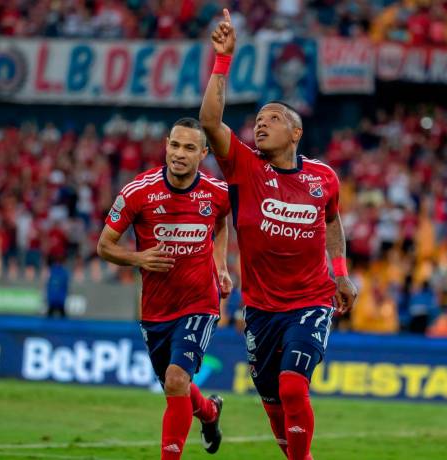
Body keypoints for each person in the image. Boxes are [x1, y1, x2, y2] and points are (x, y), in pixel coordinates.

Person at [199, 10, 358, 459]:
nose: (260, 124)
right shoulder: (245, 168)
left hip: (310, 301)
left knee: (292, 386)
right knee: (272, 400)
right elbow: (211, 122)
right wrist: (222, 61)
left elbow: (331, 221)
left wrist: (341, 274)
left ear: (296, 131)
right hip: (261, 309)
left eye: (272, 118)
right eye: (258, 120)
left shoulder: (323, 177)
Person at [96, 118, 232, 460]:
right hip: (156, 309)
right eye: (175, 145)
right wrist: (139, 257)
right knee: (176, 386)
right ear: (165, 146)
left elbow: (220, 223)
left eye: (189, 148)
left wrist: (222, 267)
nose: (179, 154)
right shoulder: (137, 192)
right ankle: (210, 413)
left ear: (203, 153)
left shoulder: (217, 193)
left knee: (175, 380)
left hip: (200, 302)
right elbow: (104, 246)